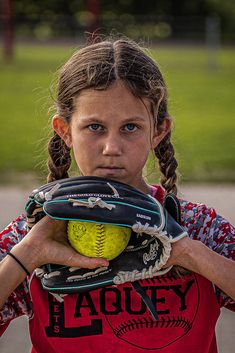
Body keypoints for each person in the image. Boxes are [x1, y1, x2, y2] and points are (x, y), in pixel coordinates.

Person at [0, 38, 234, 353]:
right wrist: (26, 256)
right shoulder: (36, 234)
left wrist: (190, 254)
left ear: (158, 131)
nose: (112, 148)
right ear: (65, 131)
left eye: (130, 128)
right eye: (95, 127)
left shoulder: (196, 226)